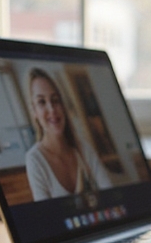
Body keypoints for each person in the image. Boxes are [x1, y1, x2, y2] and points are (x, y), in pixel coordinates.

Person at [24, 68, 113, 201]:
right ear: (34, 112)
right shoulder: (35, 160)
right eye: (42, 102)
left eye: (55, 100)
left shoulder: (83, 149)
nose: (52, 109)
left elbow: (110, 193)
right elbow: (46, 215)